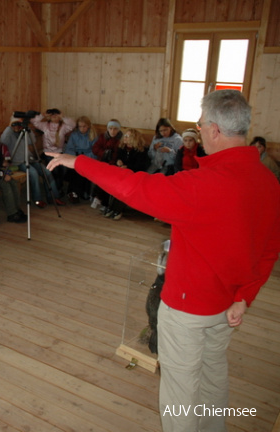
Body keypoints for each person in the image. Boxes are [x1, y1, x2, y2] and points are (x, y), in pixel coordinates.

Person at [47, 89, 280, 432]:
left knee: (180, 393)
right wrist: (246, 296)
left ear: (215, 130)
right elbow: (268, 249)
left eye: (200, 126)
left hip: (188, 308)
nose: (198, 132)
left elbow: (136, 188)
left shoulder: (203, 184)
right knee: (213, 379)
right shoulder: (267, 181)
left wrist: (79, 162)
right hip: (230, 306)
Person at [1, 119, 63, 208]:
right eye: (16, 124)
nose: (17, 127)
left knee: (47, 171)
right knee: (33, 174)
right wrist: (9, 127)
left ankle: (53, 197)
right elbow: (3, 141)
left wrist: (27, 128)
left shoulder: (23, 132)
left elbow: (32, 141)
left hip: (30, 159)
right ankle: (38, 199)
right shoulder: (10, 134)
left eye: (19, 124)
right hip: (18, 162)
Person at [0, 123, 27, 223]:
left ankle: (17, 209)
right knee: (6, 186)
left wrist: (6, 172)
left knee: (13, 183)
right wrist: (3, 174)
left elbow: (6, 164)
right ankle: (11, 214)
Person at [104, 128, 149, 220]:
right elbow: (117, 158)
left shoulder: (141, 151)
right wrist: (118, 161)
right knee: (113, 184)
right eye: (125, 136)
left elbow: (140, 167)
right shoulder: (122, 148)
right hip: (122, 174)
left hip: (134, 176)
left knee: (124, 187)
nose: (125, 138)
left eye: (127, 136)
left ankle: (118, 209)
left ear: (134, 138)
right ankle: (110, 207)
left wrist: (127, 167)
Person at [32, 108, 75, 196]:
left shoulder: (63, 127)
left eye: (56, 115)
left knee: (62, 170)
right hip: (47, 153)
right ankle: (55, 192)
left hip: (59, 153)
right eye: (52, 115)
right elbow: (34, 122)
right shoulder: (45, 125)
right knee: (54, 171)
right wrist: (43, 115)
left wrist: (62, 117)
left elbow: (73, 124)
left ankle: (58, 189)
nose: (54, 116)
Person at [91, 119, 123, 212]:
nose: (113, 131)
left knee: (108, 180)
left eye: (115, 129)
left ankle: (102, 201)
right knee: (99, 178)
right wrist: (104, 153)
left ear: (119, 130)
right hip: (102, 162)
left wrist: (112, 158)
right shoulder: (103, 137)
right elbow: (95, 149)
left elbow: (119, 154)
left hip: (113, 164)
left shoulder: (120, 139)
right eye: (111, 128)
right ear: (108, 129)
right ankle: (97, 197)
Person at [64, 116, 98, 203]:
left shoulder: (93, 135)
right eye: (80, 126)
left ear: (88, 126)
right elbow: (69, 148)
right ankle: (74, 193)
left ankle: (76, 192)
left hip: (88, 158)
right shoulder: (74, 135)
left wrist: (84, 158)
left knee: (82, 169)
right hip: (76, 156)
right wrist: (75, 157)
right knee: (74, 169)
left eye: (84, 126)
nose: (82, 129)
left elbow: (95, 151)